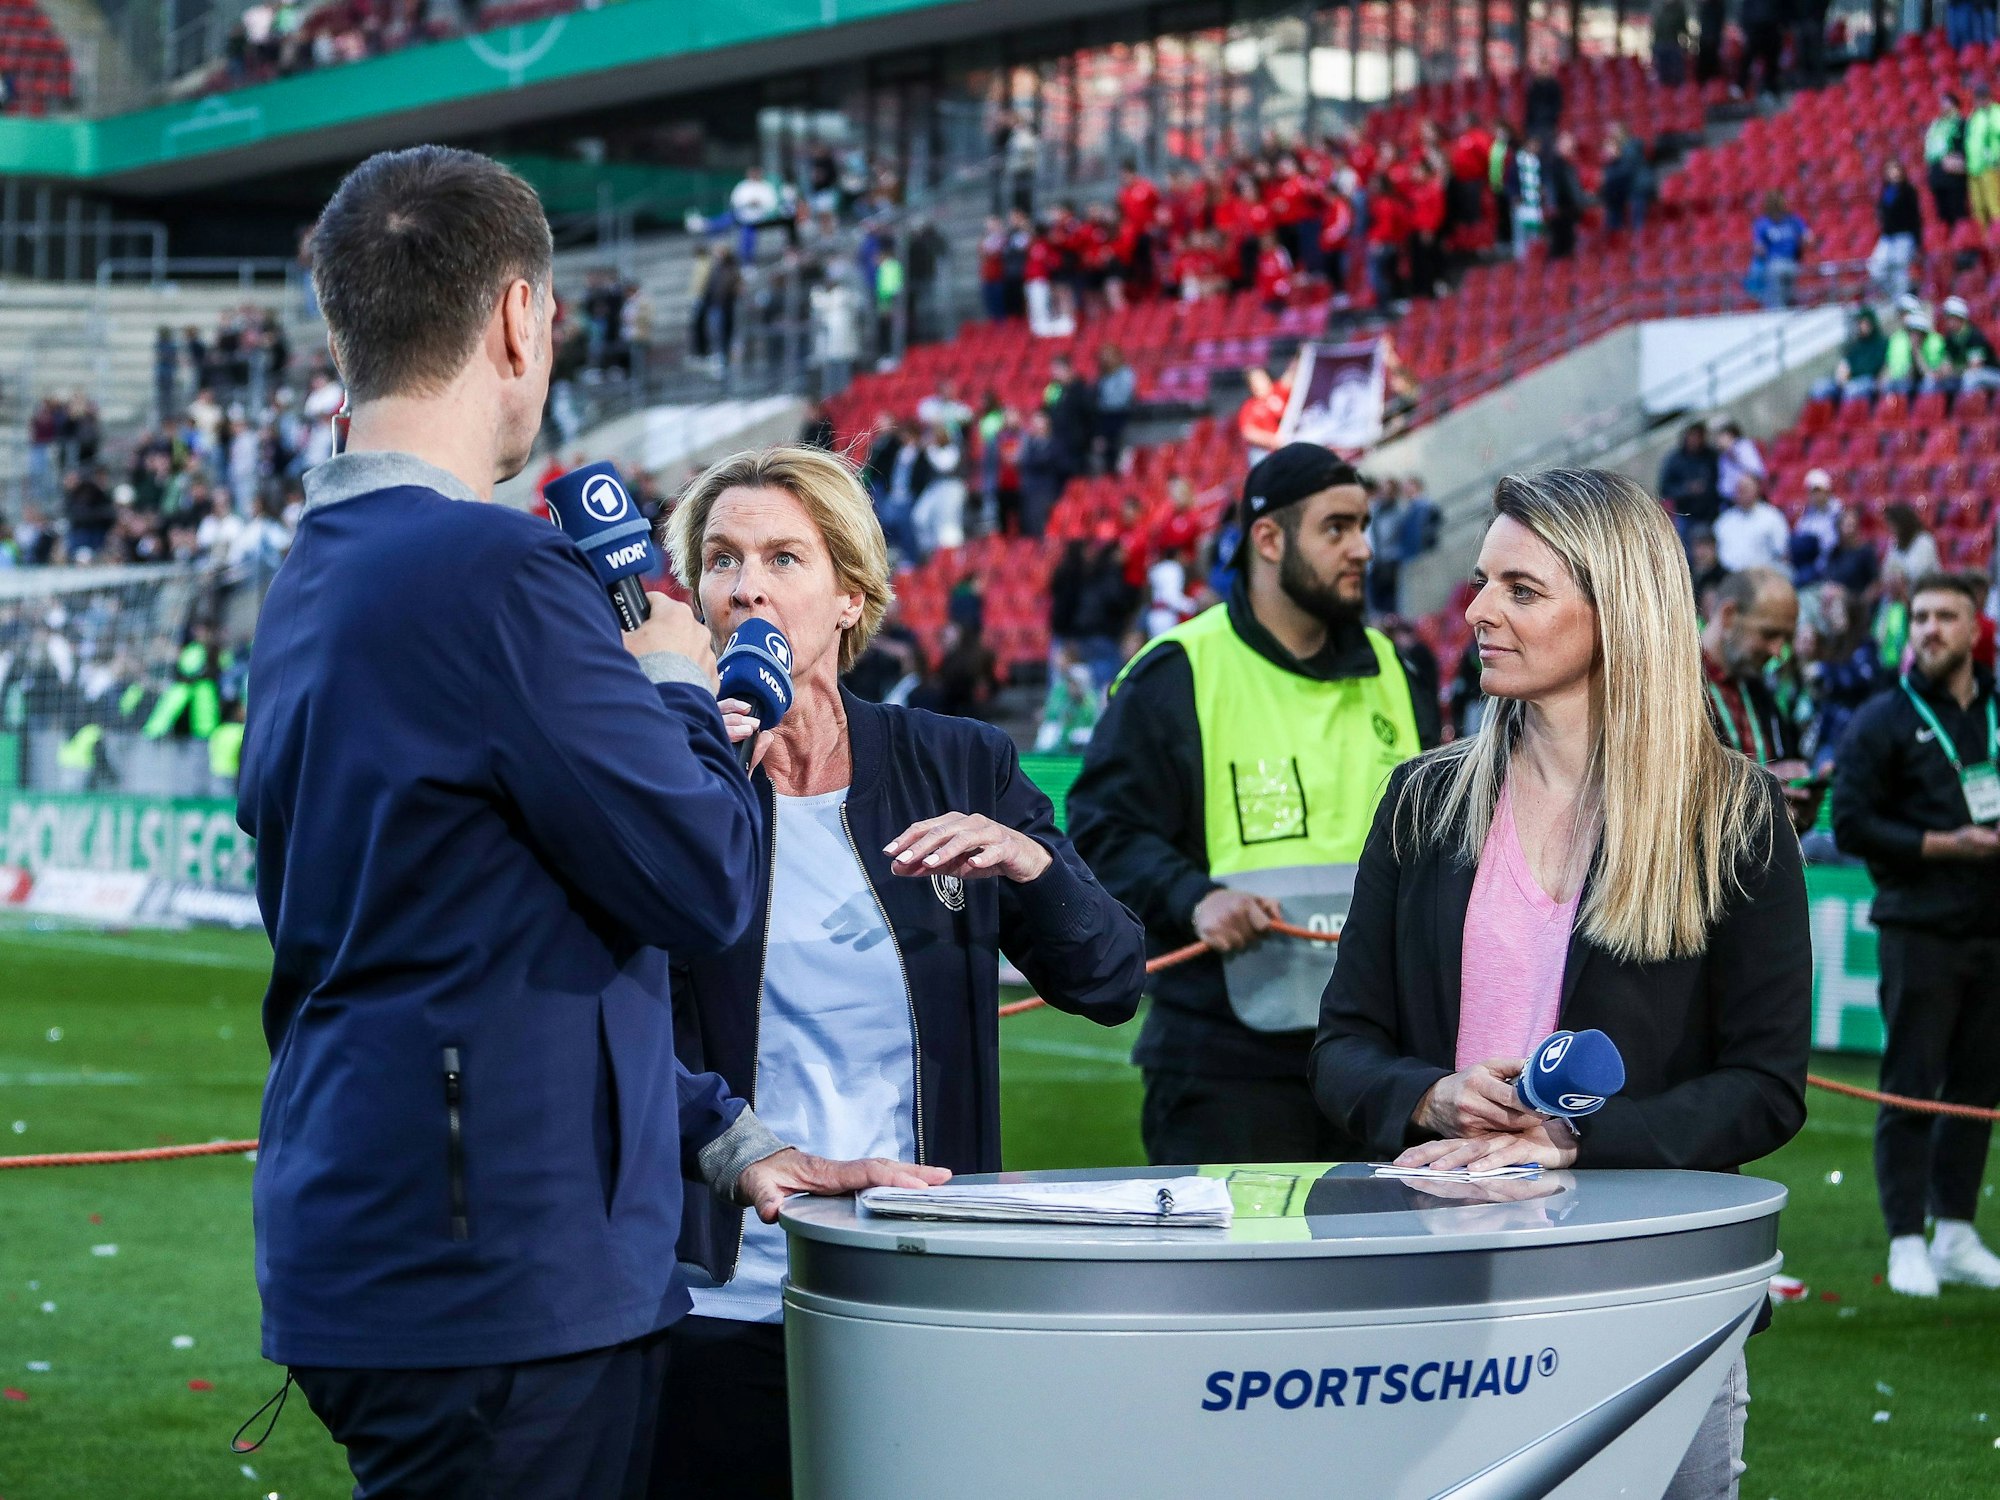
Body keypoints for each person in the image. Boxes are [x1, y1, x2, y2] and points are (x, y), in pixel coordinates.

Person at [234, 147, 942, 1500]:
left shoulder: (311, 573)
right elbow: (703, 879)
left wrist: (722, 1136)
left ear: (343, 324)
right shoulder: (496, 568)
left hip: (390, 1231)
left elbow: (466, 940)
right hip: (503, 1269)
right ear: (516, 318)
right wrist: (680, 672)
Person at [1311, 467, 1809, 1500]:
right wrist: (1429, 1094)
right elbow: (1341, 1049)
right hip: (1437, 1289)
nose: (1478, 610)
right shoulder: (1422, 802)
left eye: (1520, 590)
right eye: (1483, 583)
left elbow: (1763, 1086)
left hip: (1647, 1291)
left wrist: (1578, 1138)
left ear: (1615, 610)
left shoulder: (1732, 816)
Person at [654, 446, 1144, 1495]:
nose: (747, 584)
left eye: (784, 557)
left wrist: (1035, 865)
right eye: (721, 559)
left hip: (915, 1294)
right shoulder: (659, 777)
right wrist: (692, 778)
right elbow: (609, 1027)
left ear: (849, 597)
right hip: (715, 1302)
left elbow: (1110, 983)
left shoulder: (955, 762)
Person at [1070, 445, 1440, 1166]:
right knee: (1237, 1282)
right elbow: (1101, 831)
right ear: (1267, 539)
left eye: (1364, 525)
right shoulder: (1175, 675)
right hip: (1225, 1064)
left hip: (1382, 1069)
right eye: (1336, 529)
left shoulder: (1400, 672)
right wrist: (1194, 897)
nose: (1362, 548)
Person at [1831, 572, 2000, 1298]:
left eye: (1944, 617)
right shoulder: (1883, 719)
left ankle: (1956, 1231)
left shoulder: (1995, 710)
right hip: (1918, 931)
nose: (1929, 629)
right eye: (1920, 616)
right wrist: (1941, 844)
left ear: (1973, 629)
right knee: (1910, 1086)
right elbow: (1850, 824)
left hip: (1994, 930)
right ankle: (1906, 1238)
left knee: (1977, 1088)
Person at [1703, 568, 1823, 834]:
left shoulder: (1759, 692)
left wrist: (1798, 810)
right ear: (1729, 616)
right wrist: (1758, 793)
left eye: (1786, 639)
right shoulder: (1671, 688)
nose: (1779, 652)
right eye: (1769, 634)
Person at [1713, 472, 1791, 573]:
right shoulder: (1724, 521)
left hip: (1762, 578)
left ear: (1757, 489)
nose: (1741, 492)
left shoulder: (1772, 517)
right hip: (1729, 578)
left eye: (1746, 489)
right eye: (1739, 489)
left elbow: (1782, 553)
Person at [1869, 163, 1925, 302]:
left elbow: (1915, 217)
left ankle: (1902, 301)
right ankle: (1895, 297)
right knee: (1875, 268)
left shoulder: (1908, 191)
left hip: (1904, 236)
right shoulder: (1886, 191)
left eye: (1896, 170)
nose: (1894, 173)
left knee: (1900, 270)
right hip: (1888, 237)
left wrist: (1917, 241)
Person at [1658, 420, 1722, 534]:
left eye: (1699, 435)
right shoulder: (1675, 460)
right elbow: (1665, 489)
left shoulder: (1711, 456)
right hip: (1687, 514)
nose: (1696, 440)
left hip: (1712, 510)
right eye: (1693, 435)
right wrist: (1687, 489)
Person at [1750, 192, 1812, 309]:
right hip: (1784, 263)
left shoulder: (1791, 220)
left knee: (1781, 297)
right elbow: (1808, 238)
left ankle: (1782, 313)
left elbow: (1759, 248)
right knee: (1784, 296)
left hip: (1783, 263)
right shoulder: (1765, 223)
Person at [1925, 92, 1970, 229]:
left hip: (1954, 173)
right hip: (1937, 173)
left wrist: (1960, 160)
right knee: (1943, 213)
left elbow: (1966, 144)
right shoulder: (1936, 124)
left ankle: (1964, 240)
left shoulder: (1961, 123)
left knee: (1957, 210)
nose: (1943, 106)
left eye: (1946, 102)